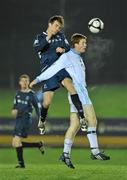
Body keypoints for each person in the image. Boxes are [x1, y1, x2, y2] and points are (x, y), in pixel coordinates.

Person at [30, 33, 110, 169]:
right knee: (93, 121)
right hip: (80, 94)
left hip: (76, 94)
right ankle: (95, 151)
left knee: (74, 126)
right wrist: (37, 79)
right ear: (76, 44)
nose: (85, 45)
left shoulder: (76, 56)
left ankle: (65, 154)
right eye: (83, 43)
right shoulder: (67, 57)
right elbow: (52, 69)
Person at [33, 15, 87, 133]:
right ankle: (42, 120)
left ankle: (82, 117)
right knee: (46, 102)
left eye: (60, 27)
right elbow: (37, 48)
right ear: (50, 24)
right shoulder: (40, 37)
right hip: (48, 71)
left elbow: (68, 47)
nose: (58, 28)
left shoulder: (61, 36)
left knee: (71, 87)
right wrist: (49, 37)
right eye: (56, 25)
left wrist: (63, 50)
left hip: (61, 69)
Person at [12, 74, 44, 168]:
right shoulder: (18, 94)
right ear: (20, 83)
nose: (24, 83)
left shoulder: (32, 94)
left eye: (26, 81)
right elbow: (15, 106)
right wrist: (13, 110)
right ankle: (38, 144)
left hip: (25, 119)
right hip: (18, 119)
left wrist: (41, 119)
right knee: (15, 143)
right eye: (23, 81)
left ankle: (21, 164)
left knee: (17, 142)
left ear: (28, 82)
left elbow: (38, 108)